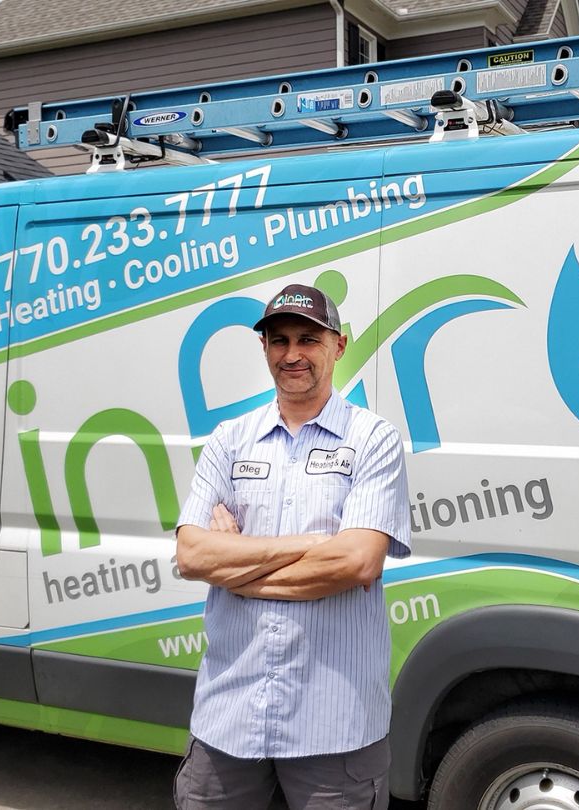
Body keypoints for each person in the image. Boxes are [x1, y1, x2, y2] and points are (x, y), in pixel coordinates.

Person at [173, 282, 411, 809]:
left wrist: (236, 564)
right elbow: (191, 556)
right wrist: (311, 545)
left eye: (308, 338)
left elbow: (356, 559)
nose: (292, 354)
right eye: (279, 341)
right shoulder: (229, 440)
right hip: (229, 719)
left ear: (339, 345)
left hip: (335, 724)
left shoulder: (373, 440)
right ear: (264, 349)